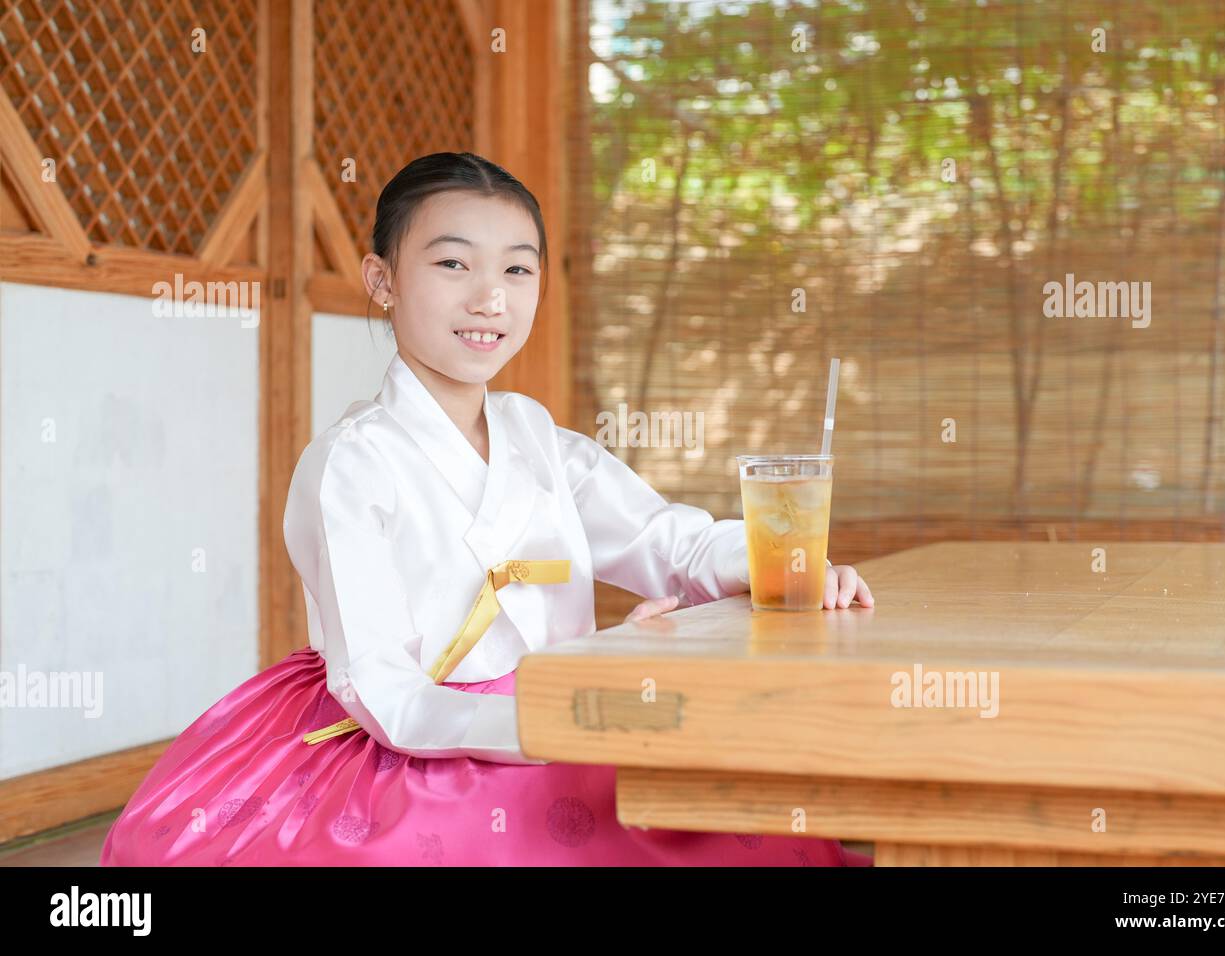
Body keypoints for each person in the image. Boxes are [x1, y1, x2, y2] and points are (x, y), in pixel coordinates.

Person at [100, 152, 874, 866]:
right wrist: (547, 720)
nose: (490, 297)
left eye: (517, 268)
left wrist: (785, 562)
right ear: (381, 279)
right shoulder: (349, 465)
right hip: (415, 743)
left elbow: (663, 541)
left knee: (739, 825)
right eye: (452, 263)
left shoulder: (538, 437)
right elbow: (382, 689)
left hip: (571, 713)